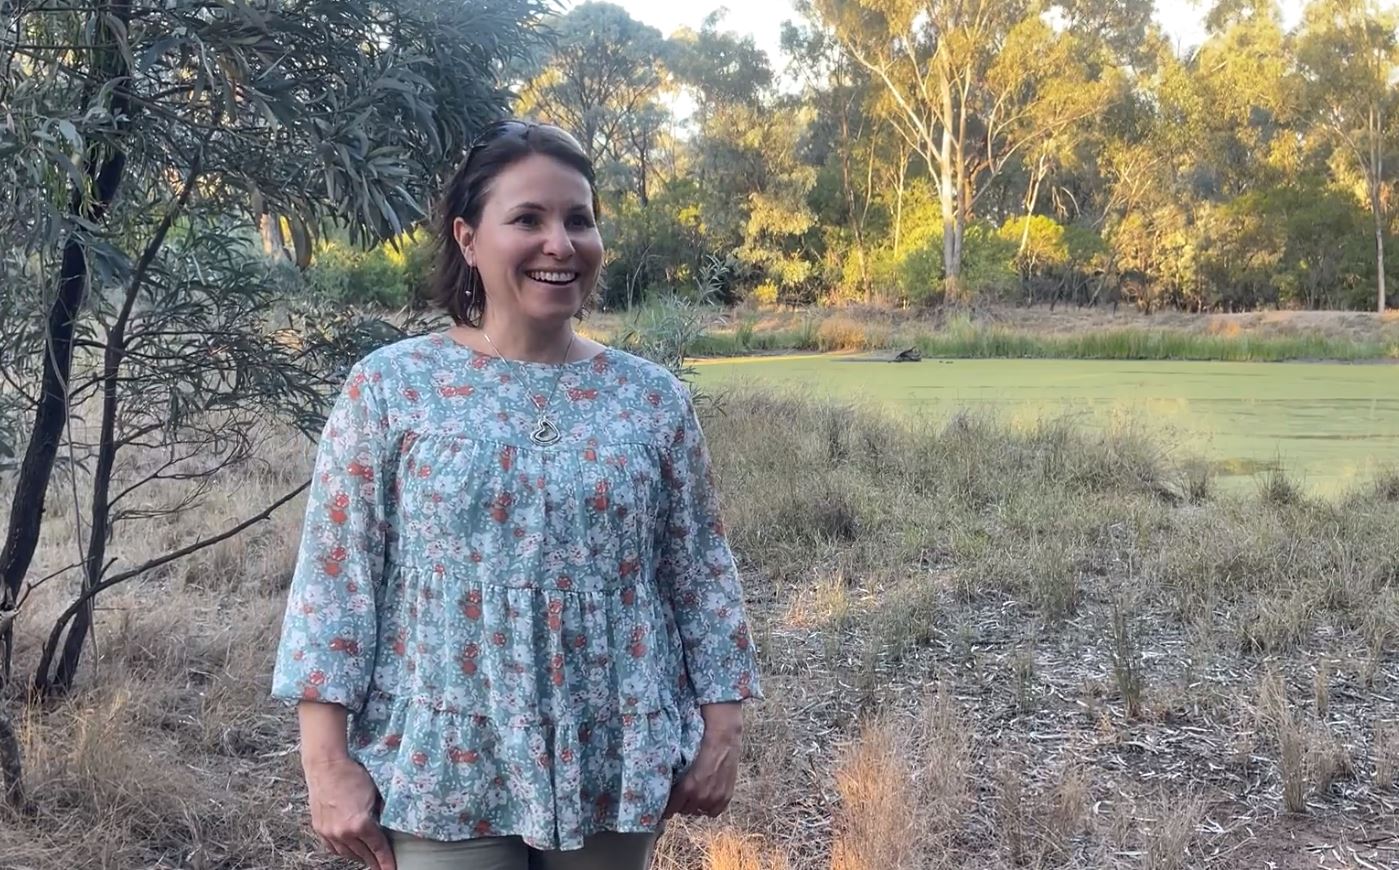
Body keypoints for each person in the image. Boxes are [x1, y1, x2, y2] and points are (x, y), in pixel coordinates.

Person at [270, 119, 763, 870]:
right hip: (445, 751)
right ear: (468, 237)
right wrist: (325, 763)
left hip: (613, 745)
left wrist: (721, 732)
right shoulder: (392, 386)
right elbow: (336, 579)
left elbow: (698, 570)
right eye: (527, 219)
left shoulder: (649, 398)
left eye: (578, 219)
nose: (559, 244)